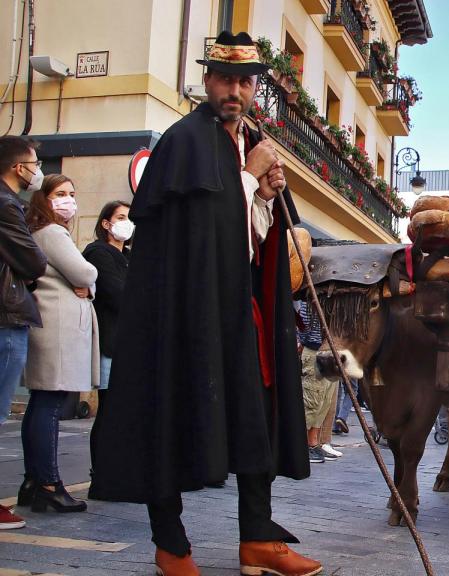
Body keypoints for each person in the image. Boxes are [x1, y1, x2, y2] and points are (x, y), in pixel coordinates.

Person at [89, 32, 320, 576]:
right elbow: (197, 229)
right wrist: (247, 178)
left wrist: (263, 197)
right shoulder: (185, 140)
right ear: (207, 81)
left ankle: (258, 539)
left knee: (257, 417)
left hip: (240, 313)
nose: (234, 90)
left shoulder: (247, 140)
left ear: (255, 88)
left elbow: (244, 238)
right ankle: (171, 546)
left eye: (245, 81)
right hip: (184, 317)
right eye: (224, 79)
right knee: (168, 415)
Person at [22, 174, 98, 514]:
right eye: (60, 194)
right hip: (58, 329)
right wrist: (89, 282)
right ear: (43, 198)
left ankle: (34, 481)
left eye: (72, 193)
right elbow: (84, 273)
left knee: (42, 402)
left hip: (49, 324)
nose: (69, 199)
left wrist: (87, 285)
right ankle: (49, 483)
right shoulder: (52, 233)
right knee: (50, 404)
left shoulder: (39, 232)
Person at [0, 136, 48, 530]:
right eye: (34, 163)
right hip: (6, 316)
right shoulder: (6, 206)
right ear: (18, 167)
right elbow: (34, 261)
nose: (37, 170)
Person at [82, 200, 131, 402]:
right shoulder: (98, 252)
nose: (127, 223)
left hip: (129, 341)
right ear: (105, 224)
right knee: (111, 404)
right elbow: (117, 294)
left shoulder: (129, 255)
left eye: (130, 219)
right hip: (110, 339)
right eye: (121, 218)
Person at [296, 300, 340, 463]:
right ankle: (301, 445)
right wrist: (303, 339)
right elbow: (304, 321)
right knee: (312, 400)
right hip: (315, 349)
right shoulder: (312, 294)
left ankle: (313, 442)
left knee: (324, 402)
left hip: (331, 351)